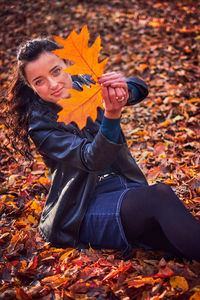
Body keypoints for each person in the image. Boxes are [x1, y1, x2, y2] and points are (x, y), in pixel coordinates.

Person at [6, 38, 200, 262]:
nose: (52, 84)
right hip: (81, 209)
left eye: (56, 71)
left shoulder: (86, 84)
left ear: (68, 63)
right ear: (31, 87)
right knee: (160, 197)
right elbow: (92, 160)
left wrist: (124, 89)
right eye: (39, 81)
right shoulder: (40, 126)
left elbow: (139, 86)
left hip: (123, 188)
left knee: (166, 230)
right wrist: (112, 115)